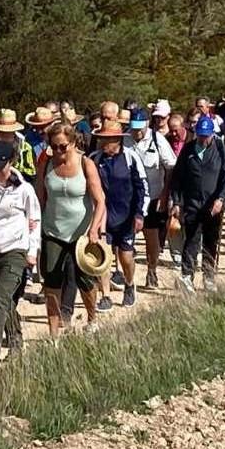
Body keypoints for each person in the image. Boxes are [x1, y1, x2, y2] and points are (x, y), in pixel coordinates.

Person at [35, 122, 106, 335]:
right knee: (52, 281)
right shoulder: (46, 163)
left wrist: (94, 229)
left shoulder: (86, 164)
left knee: (85, 280)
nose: (58, 151)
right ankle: (54, 333)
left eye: (62, 146)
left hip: (81, 234)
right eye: (54, 146)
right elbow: (39, 197)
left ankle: (92, 320)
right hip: (52, 231)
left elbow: (100, 201)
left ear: (73, 143)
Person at [0, 140, 41, 363]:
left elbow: (34, 220)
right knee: (3, 299)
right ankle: (15, 341)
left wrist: (32, 250)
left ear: (11, 162)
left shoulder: (24, 190)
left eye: (1, 165)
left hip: (15, 251)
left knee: (0, 300)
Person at [168, 115, 225, 293]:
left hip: (213, 205)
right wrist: (176, 201)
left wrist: (221, 198)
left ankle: (209, 276)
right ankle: (187, 276)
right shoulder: (188, 150)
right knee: (191, 240)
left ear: (212, 133)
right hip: (192, 203)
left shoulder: (221, 149)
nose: (203, 138)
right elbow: (177, 178)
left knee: (211, 241)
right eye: (200, 135)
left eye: (206, 135)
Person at [89, 120, 147, 309]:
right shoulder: (95, 159)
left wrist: (140, 214)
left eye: (107, 140)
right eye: (102, 139)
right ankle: (105, 295)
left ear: (118, 140)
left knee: (126, 257)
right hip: (103, 217)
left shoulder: (131, 158)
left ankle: (129, 285)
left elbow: (141, 187)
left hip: (126, 216)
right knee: (103, 257)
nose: (103, 143)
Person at [124, 108, 177, 288]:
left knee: (151, 236)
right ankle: (124, 274)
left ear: (147, 123)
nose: (137, 132)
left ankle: (151, 270)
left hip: (154, 196)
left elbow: (170, 167)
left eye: (140, 128)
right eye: (133, 128)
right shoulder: (125, 140)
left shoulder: (157, 140)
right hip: (129, 198)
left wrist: (165, 194)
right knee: (124, 236)